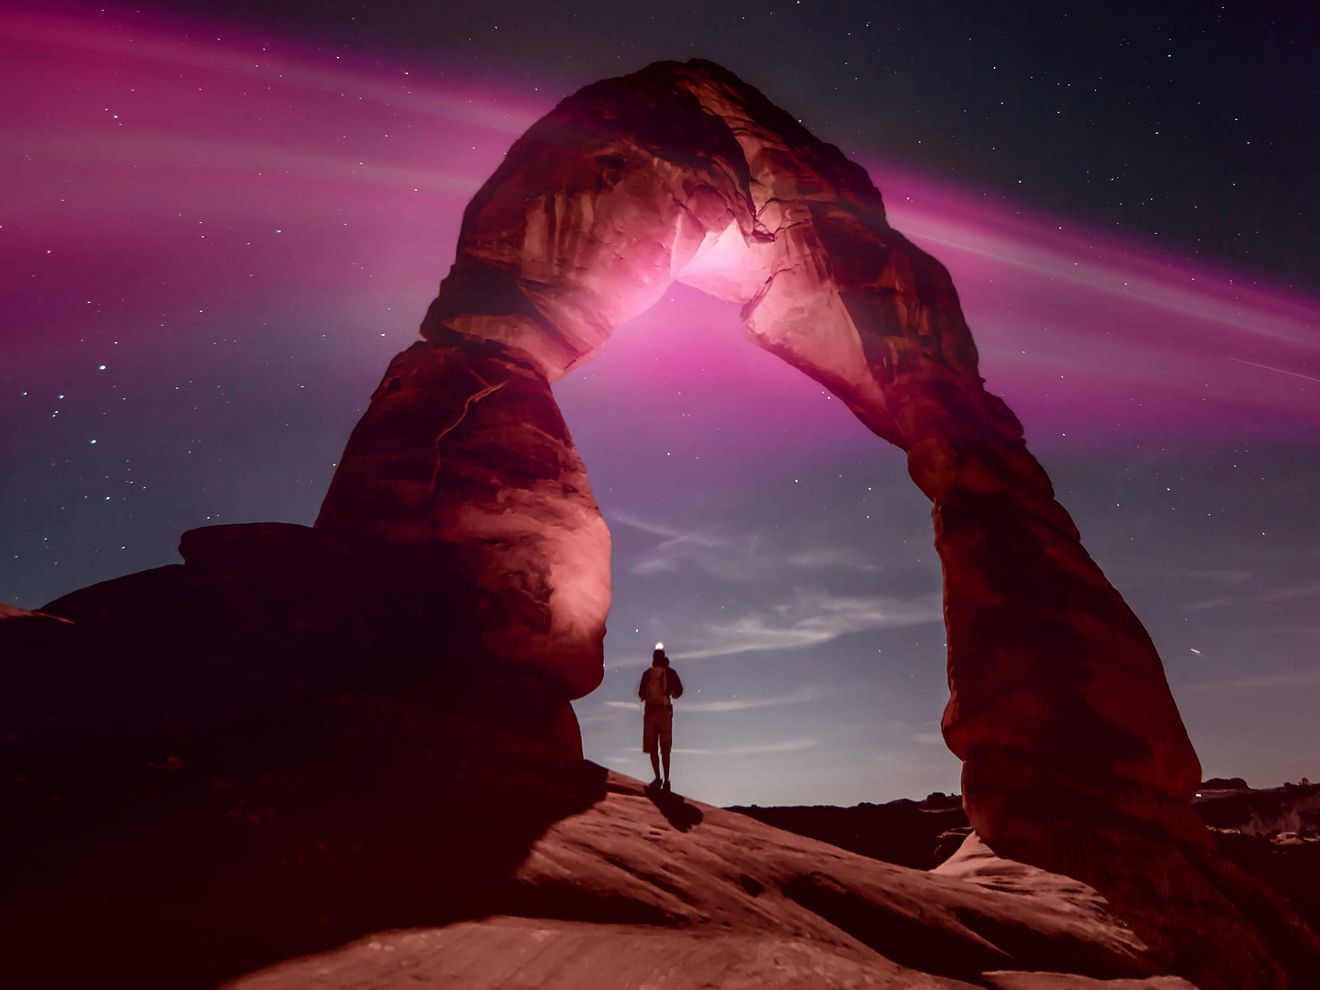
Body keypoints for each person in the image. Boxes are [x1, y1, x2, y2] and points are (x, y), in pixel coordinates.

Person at [638, 643, 683, 792]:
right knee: (665, 749)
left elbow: (641, 694)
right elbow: (679, 692)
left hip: (650, 712)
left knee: (652, 748)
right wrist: (669, 694)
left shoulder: (647, 673)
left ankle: (658, 778)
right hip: (664, 712)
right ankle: (667, 780)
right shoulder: (670, 673)